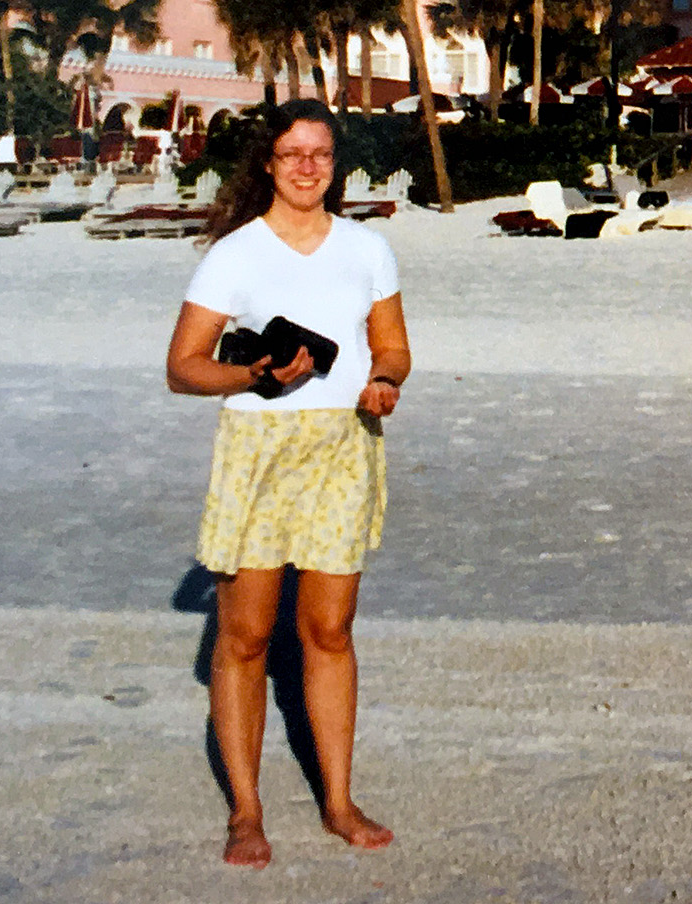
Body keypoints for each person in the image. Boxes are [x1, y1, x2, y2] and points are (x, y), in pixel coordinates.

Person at [165, 99, 410, 869]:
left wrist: (385, 383)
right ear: (268, 163)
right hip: (260, 448)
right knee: (243, 639)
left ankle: (337, 801)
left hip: (343, 447)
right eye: (292, 153)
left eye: (321, 154)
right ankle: (246, 811)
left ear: (335, 166)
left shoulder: (368, 248)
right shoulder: (234, 254)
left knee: (329, 634)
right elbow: (183, 367)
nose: (307, 167)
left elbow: (393, 348)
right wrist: (254, 375)